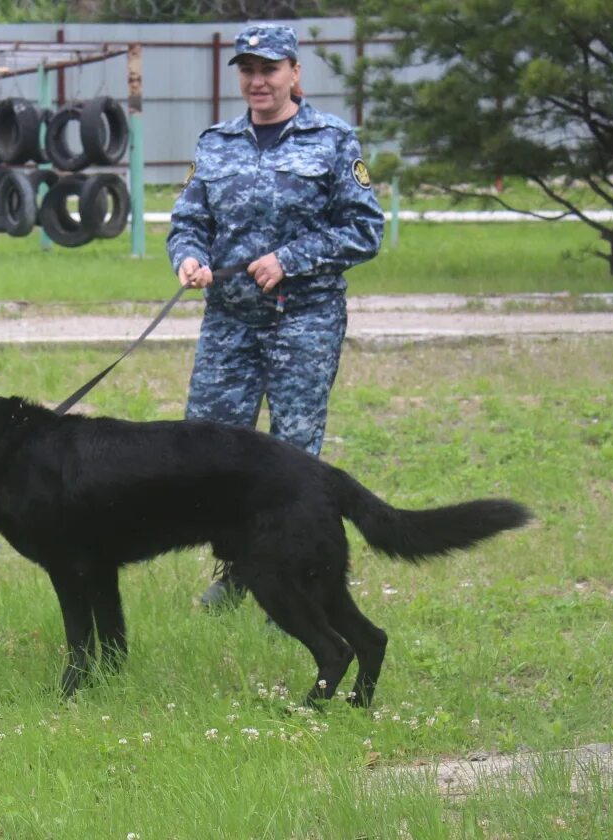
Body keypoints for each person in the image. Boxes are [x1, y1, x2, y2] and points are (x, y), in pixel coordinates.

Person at [167, 23, 384, 609]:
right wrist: (188, 257)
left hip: (304, 319)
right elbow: (188, 222)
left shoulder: (334, 139)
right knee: (211, 449)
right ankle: (239, 570)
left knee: (292, 452)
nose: (258, 81)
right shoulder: (216, 143)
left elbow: (365, 230)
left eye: (269, 69)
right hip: (231, 321)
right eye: (248, 70)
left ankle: (296, 577)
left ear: (295, 73)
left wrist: (290, 259)